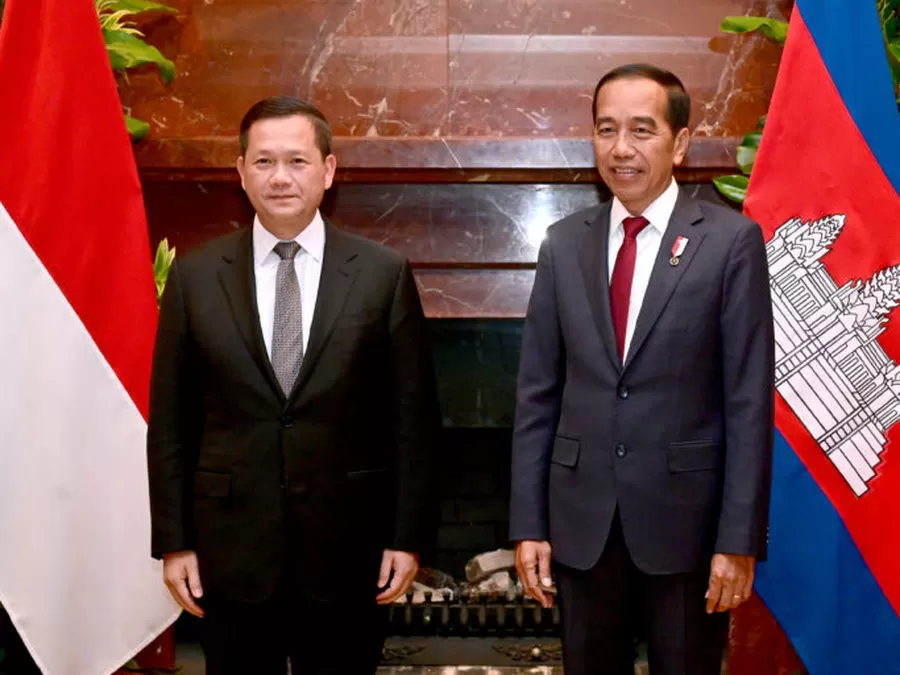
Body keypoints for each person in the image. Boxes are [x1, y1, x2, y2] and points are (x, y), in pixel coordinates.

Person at [147, 96, 440, 675]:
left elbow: (414, 421)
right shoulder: (195, 277)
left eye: (297, 161)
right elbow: (172, 422)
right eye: (264, 161)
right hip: (229, 555)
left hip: (349, 552)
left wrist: (407, 538)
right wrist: (174, 541)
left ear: (328, 171)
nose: (280, 177)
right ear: (241, 172)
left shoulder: (382, 274)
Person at [509, 64, 775, 675]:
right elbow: (536, 396)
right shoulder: (563, 243)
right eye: (606, 129)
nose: (621, 148)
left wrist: (737, 539)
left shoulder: (730, 242)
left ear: (679, 143)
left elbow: (747, 402)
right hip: (581, 528)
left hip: (686, 531)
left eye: (641, 130)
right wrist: (528, 524)